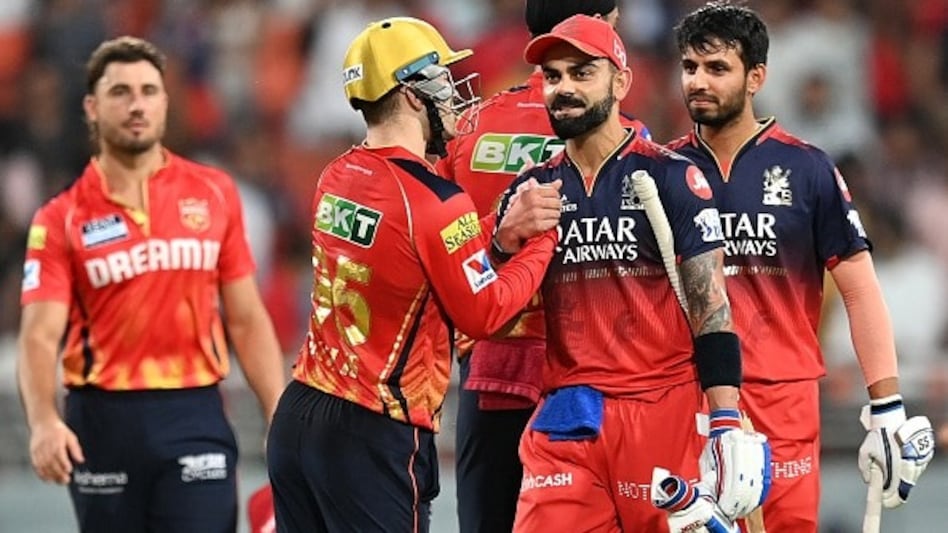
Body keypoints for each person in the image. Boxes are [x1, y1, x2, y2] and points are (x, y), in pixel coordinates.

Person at [264, 16, 563, 533]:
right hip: (375, 431)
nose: (453, 95)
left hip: (301, 416)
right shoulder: (436, 200)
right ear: (411, 94)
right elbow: (484, 311)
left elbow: (411, 259)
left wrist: (495, 232)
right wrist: (541, 243)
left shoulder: (336, 175)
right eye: (443, 81)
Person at [667, 3, 936, 532]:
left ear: (756, 78)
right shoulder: (660, 169)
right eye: (690, 67)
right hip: (685, 401)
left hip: (783, 403)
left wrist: (887, 408)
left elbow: (859, 291)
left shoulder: (807, 168)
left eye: (717, 69)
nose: (698, 82)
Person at [500, 14, 770, 532]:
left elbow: (711, 307)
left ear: (620, 82)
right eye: (553, 76)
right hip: (569, 414)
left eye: (582, 73)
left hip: (661, 410)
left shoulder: (671, 175)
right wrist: (500, 240)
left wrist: (726, 421)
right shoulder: (531, 190)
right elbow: (489, 309)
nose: (563, 88)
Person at [16, 36, 287, 533]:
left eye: (148, 90)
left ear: (165, 101)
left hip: (195, 412)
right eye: (120, 92)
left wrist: (278, 412)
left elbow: (246, 318)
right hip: (101, 421)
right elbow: (37, 335)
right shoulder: (60, 218)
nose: (137, 104)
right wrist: (43, 422)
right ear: (92, 107)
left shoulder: (214, 193)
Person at [435, 2, 651, 531]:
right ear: (604, 23)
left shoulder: (470, 125)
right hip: (589, 372)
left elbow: (439, 248)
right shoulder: (624, 134)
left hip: (490, 367)